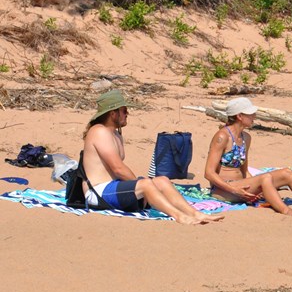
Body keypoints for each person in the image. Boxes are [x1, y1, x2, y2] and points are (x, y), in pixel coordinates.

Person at [82, 89, 223, 225]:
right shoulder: (99, 132)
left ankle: (195, 213)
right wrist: (143, 186)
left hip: (114, 187)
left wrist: (145, 186)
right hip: (98, 192)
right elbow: (118, 168)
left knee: (162, 181)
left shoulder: (116, 134)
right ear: (113, 114)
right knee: (146, 184)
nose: (127, 113)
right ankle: (180, 217)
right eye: (124, 110)